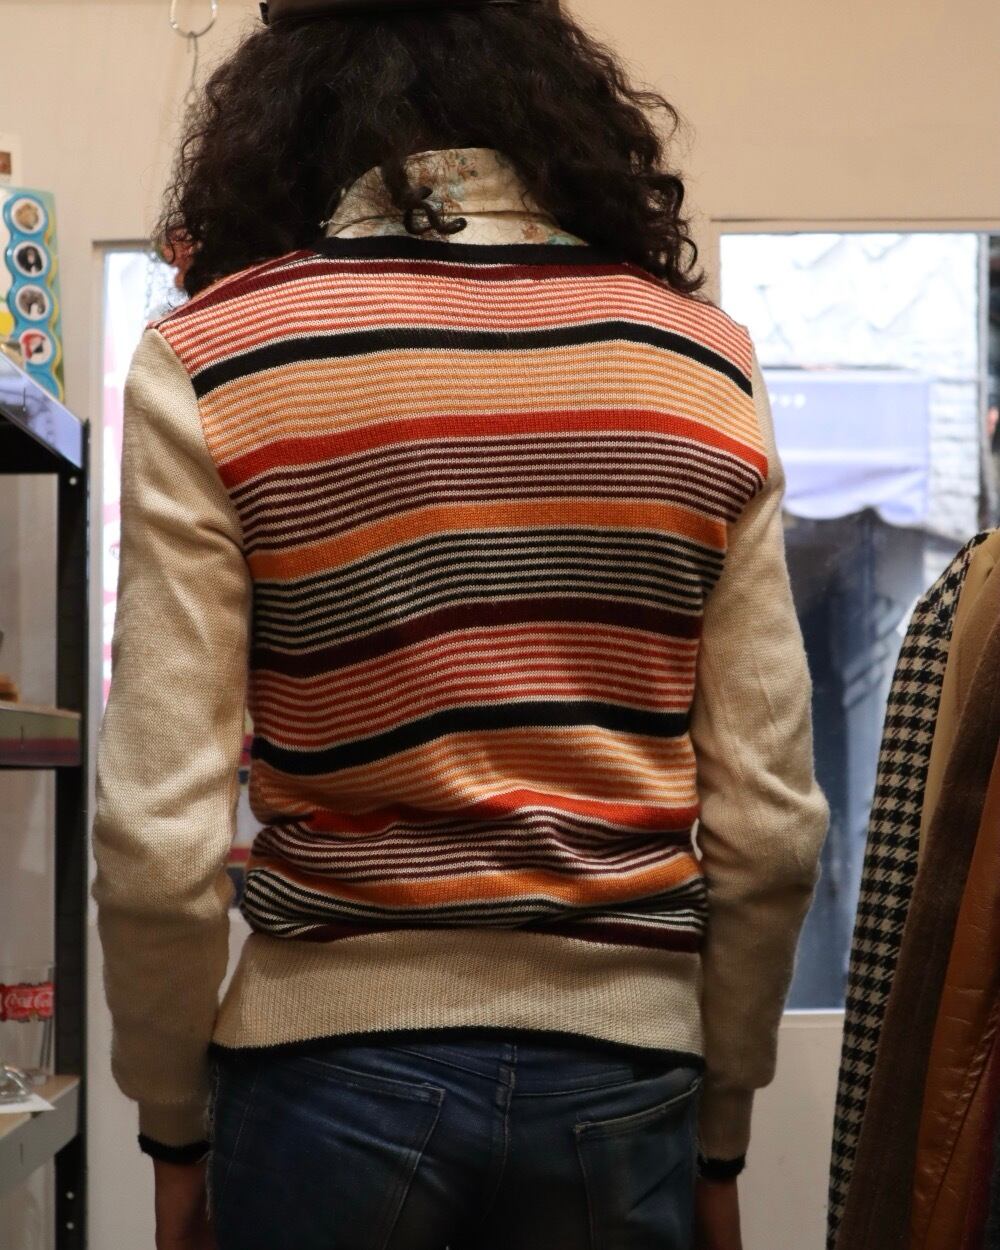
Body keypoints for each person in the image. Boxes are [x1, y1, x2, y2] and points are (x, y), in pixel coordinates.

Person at [90, 2, 830, 1248]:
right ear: (554, 102)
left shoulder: (214, 359)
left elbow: (156, 834)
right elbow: (771, 824)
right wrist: (720, 1129)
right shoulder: (702, 366)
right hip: (623, 1081)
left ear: (285, 117)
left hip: (324, 1081)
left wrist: (172, 1126)